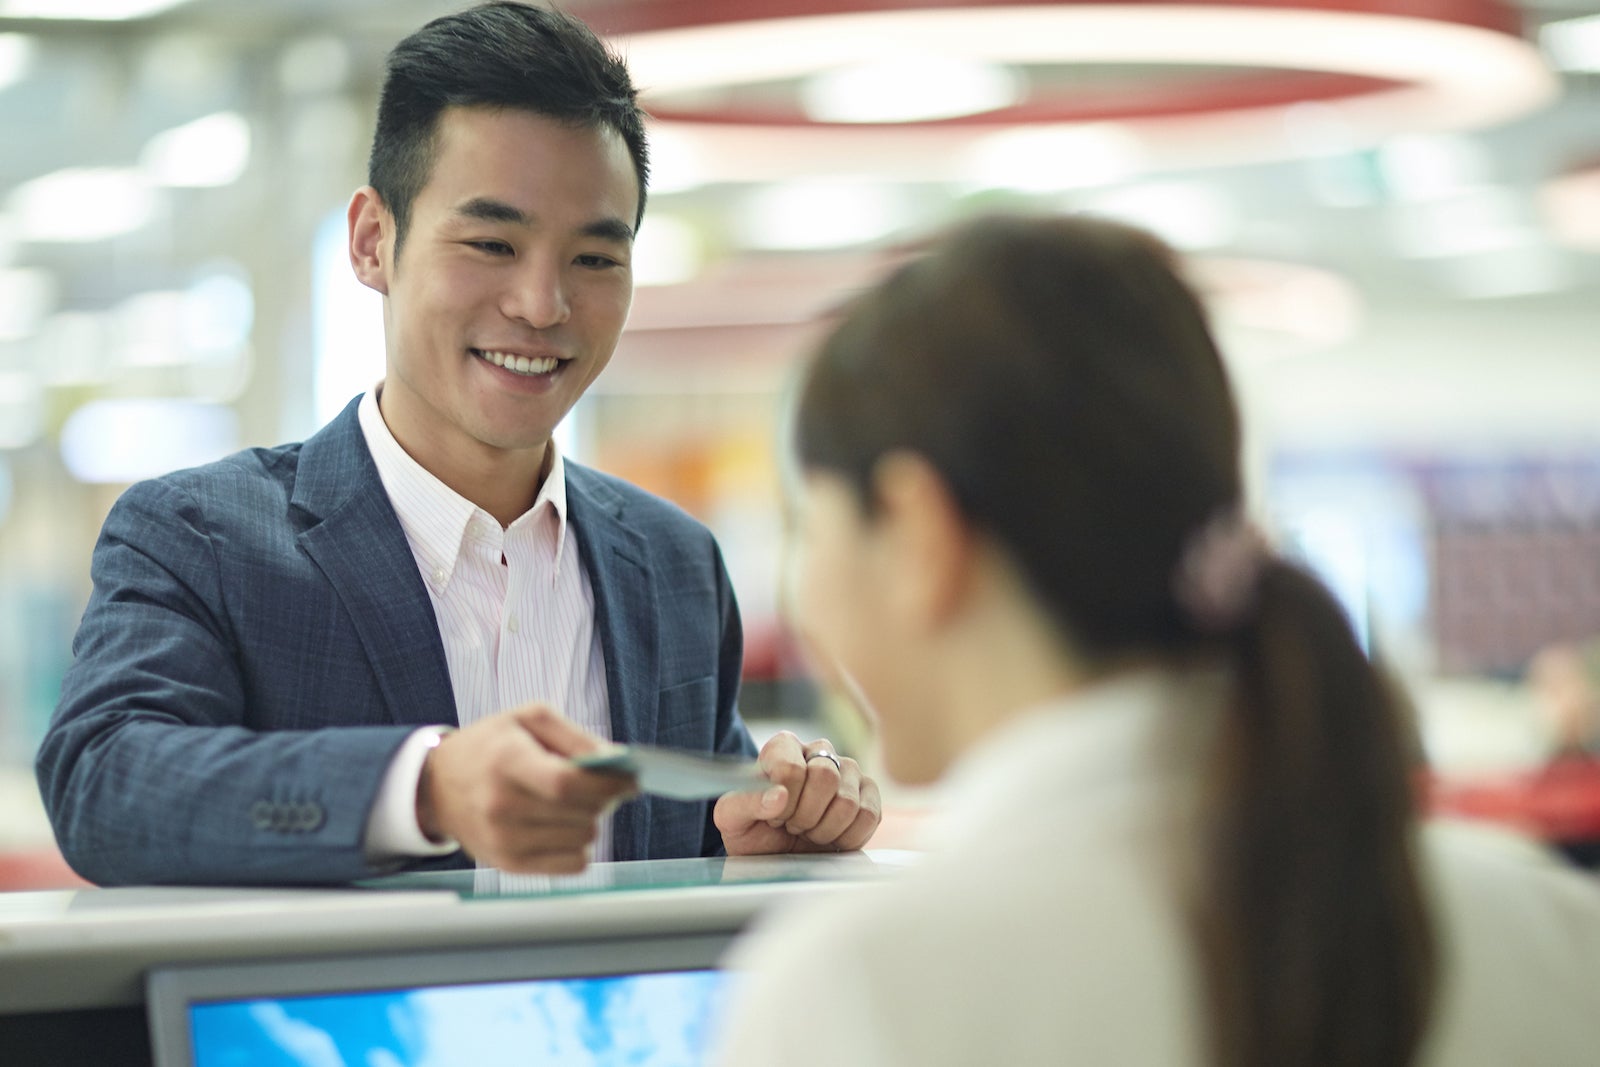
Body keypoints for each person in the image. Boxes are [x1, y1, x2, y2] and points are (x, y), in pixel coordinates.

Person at [714, 215, 1600, 1067]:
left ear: (919, 534)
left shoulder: (863, 990)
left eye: (811, 525)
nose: (808, 589)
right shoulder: (1556, 929)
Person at [35, 2, 879, 887]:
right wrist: (425, 786)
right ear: (373, 241)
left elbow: (685, 853)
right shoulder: (203, 537)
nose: (542, 303)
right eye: (491, 243)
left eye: (596, 258)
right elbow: (103, 783)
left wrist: (759, 841)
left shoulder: (674, 566)